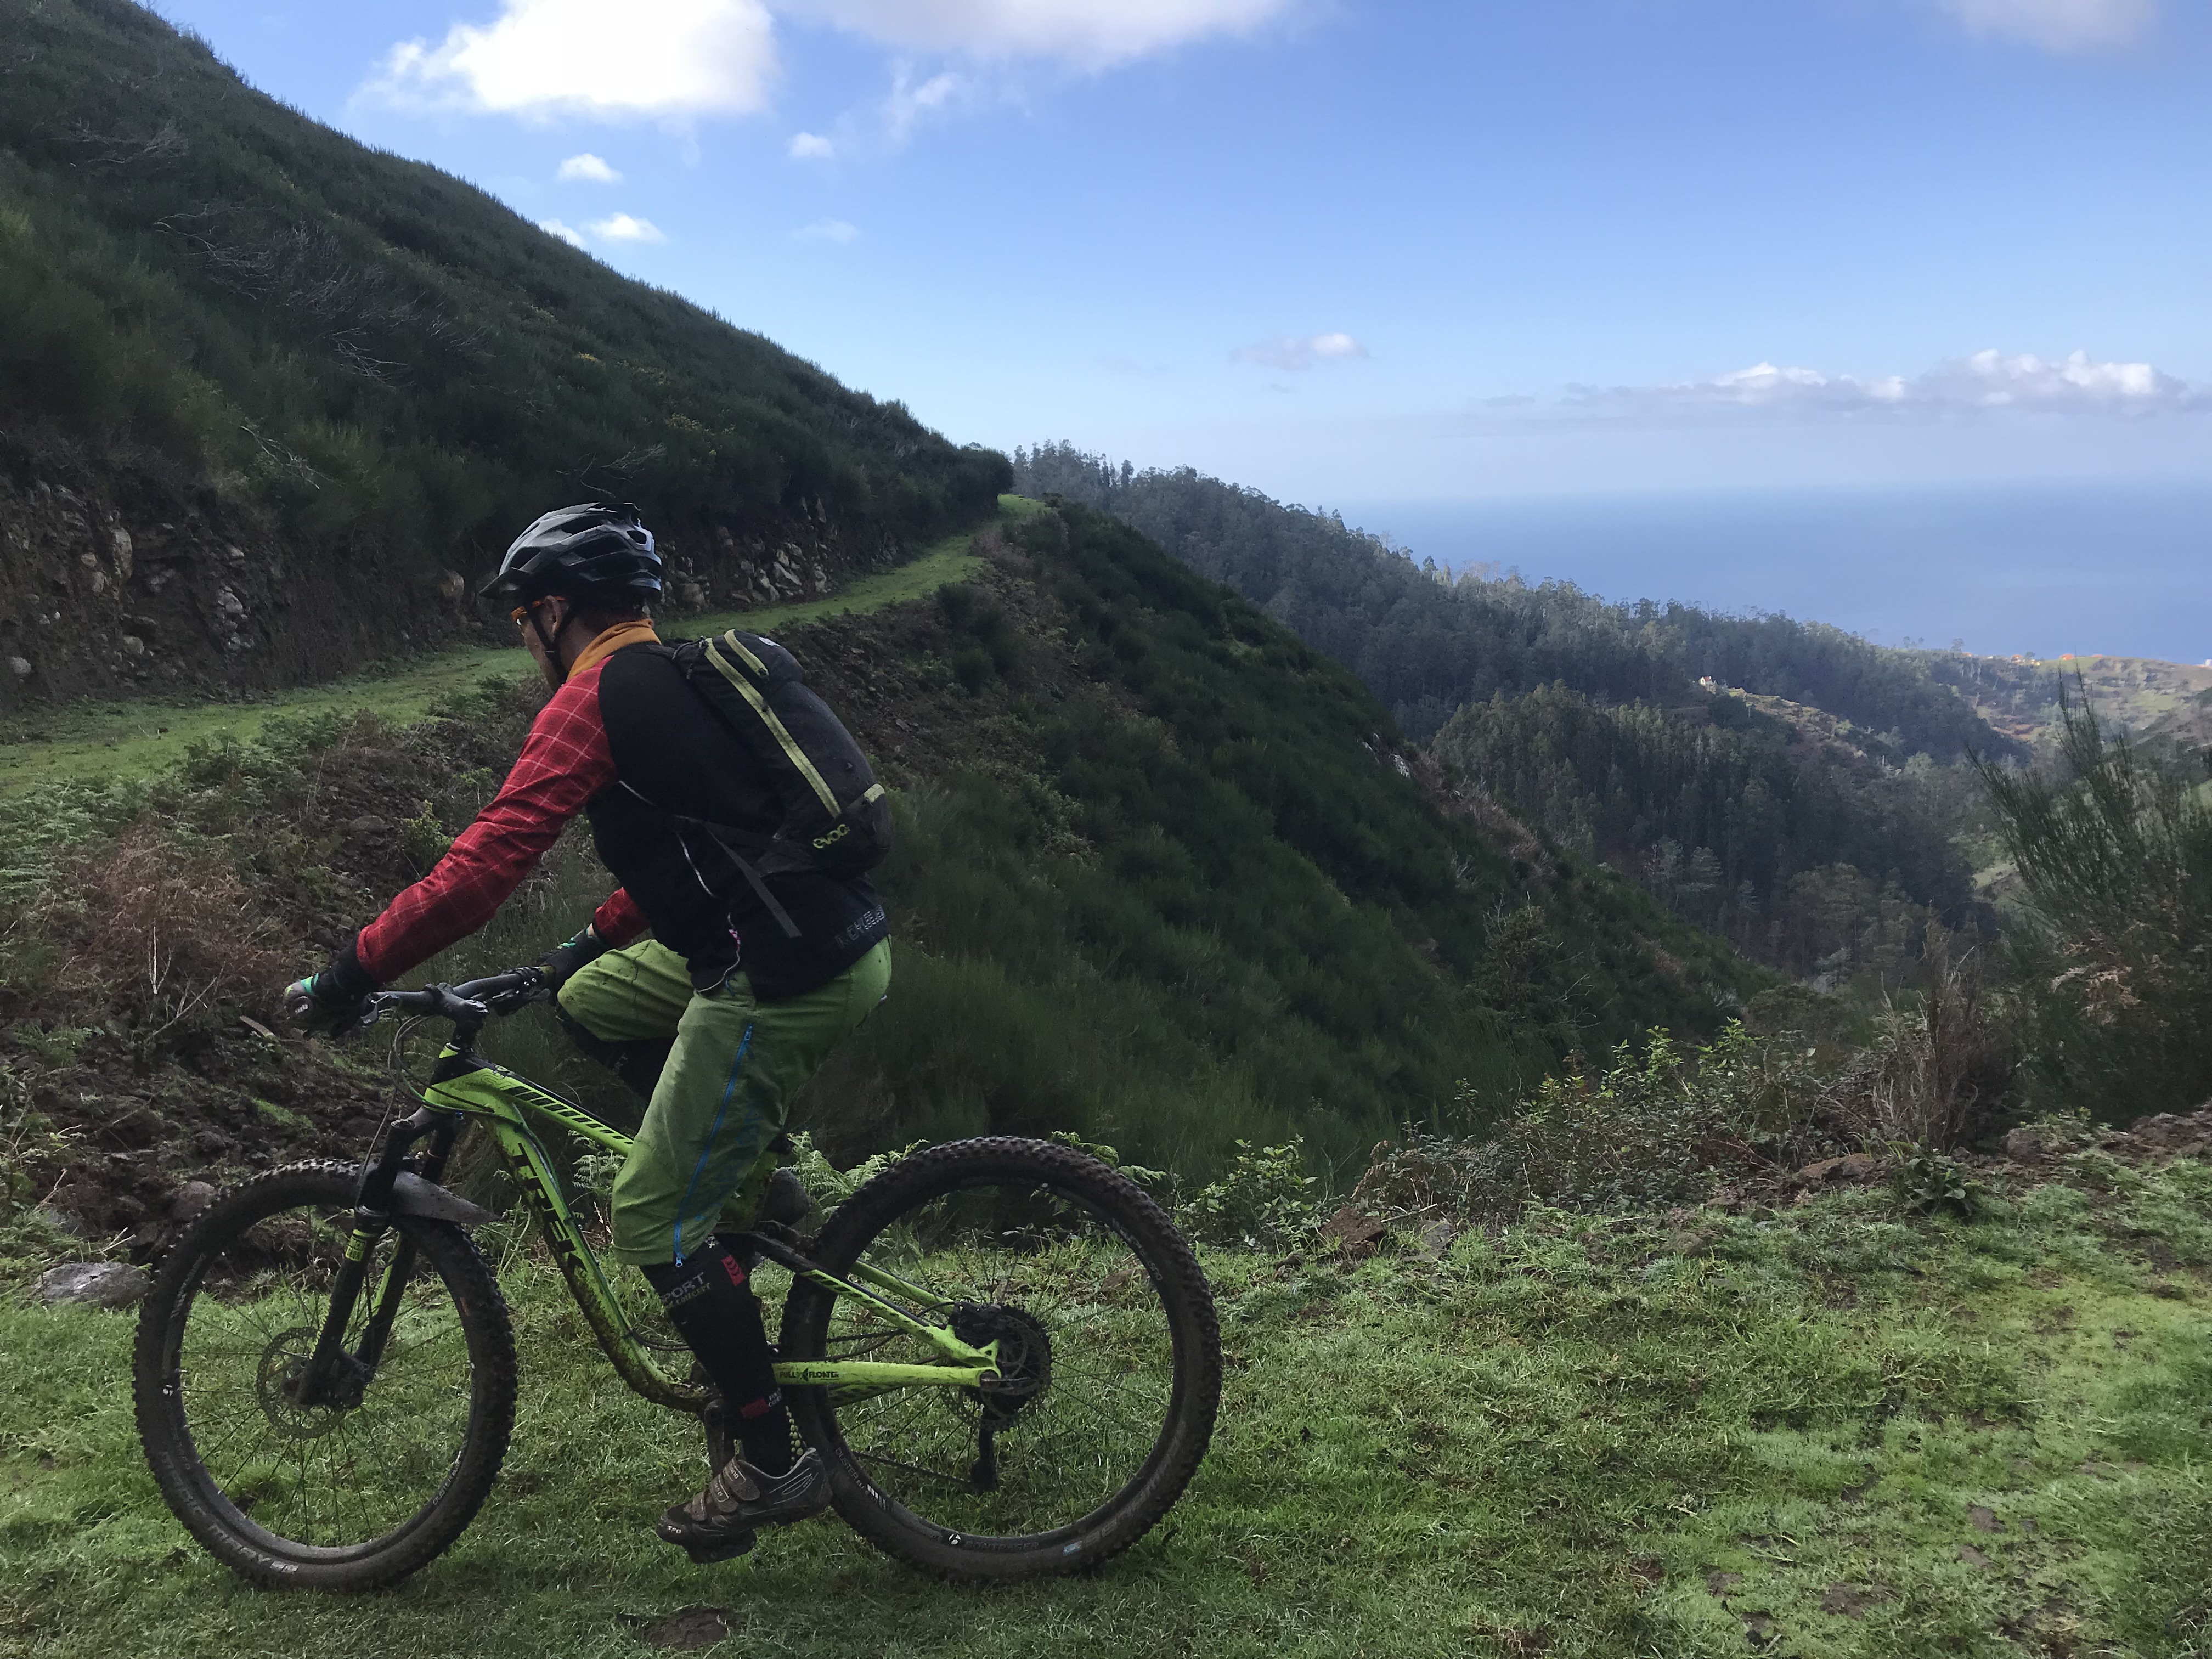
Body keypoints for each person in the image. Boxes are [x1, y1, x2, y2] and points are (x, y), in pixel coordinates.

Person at [283, 502, 891, 1562]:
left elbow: (485, 863)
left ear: (554, 612)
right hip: (819, 936)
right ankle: (750, 1180)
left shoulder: (592, 698)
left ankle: (769, 1461)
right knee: (596, 1001)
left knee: (650, 1216)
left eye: (523, 620)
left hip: (779, 971)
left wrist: (355, 969)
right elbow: (699, 856)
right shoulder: (672, 676)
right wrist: (579, 949)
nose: (524, 641)